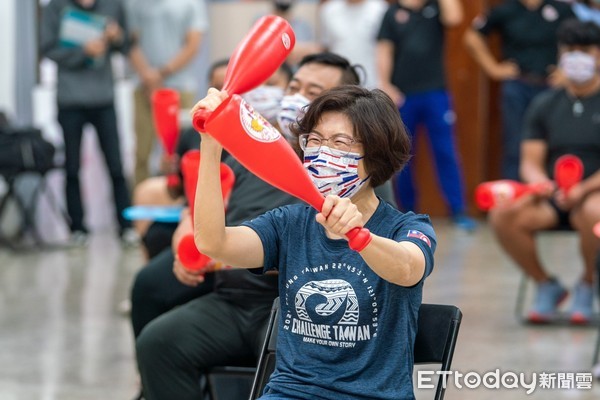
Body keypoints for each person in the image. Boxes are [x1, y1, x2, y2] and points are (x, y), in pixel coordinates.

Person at [134, 53, 372, 400]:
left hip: (294, 304)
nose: (295, 97)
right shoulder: (254, 150)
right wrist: (190, 239)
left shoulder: (346, 171)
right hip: (231, 295)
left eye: (313, 91)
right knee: (158, 342)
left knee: (305, 363)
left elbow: (367, 249)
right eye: (294, 87)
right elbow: (203, 208)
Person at [192, 83, 436, 399]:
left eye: (340, 143)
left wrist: (359, 236)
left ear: (376, 155)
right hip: (289, 392)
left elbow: (407, 268)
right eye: (315, 141)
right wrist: (210, 145)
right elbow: (214, 243)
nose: (323, 153)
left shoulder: (408, 227)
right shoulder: (289, 223)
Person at [488, 19, 600, 324]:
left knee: (594, 213)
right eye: (570, 50)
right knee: (503, 214)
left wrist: (584, 189)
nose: (577, 57)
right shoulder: (544, 104)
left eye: (585, 50)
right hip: (552, 196)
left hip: (592, 196)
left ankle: (587, 285)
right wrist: (542, 183)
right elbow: (530, 160)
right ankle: (546, 285)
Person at [40, 0, 134, 244]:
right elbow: (47, 48)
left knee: (116, 165)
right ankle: (77, 228)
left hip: (104, 99)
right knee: (72, 167)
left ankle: (126, 226)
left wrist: (116, 37)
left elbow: (126, 47)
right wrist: (84, 52)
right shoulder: (55, 8)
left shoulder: (113, 6)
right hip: (70, 100)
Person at [376, 0, 476, 231]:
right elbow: (384, 50)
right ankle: (404, 212)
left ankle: (458, 210)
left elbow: (454, 18)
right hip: (403, 95)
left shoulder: (436, 7)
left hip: (435, 93)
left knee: (446, 151)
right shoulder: (392, 13)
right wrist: (385, 85)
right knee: (402, 155)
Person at [463, 0, 575, 181]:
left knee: (556, 141)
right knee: (514, 143)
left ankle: (553, 196)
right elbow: (472, 37)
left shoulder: (561, 9)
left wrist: (566, 70)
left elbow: (580, 39)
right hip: (518, 86)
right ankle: (513, 197)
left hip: (550, 87)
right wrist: (493, 68)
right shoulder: (505, 10)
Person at [130, 59, 228, 250]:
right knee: (155, 235)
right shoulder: (193, 133)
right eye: (216, 87)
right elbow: (175, 191)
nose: (222, 93)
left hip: (231, 215)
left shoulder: (249, 133)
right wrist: (171, 172)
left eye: (227, 87)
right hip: (193, 212)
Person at [127, 0, 209, 185]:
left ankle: (184, 202)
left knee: (182, 152)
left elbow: (193, 45)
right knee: (142, 153)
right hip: (143, 86)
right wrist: (148, 77)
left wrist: (161, 73)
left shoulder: (192, 3)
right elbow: (130, 42)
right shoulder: (132, 3)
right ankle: (142, 206)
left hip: (181, 87)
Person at [319, 0, 388, 88]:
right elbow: (326, 46)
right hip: (338, 81)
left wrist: (385, 83)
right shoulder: (328, 9)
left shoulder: (381, 9)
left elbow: (386, 49)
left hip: (373, 82)